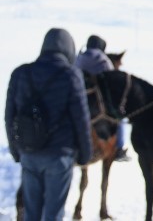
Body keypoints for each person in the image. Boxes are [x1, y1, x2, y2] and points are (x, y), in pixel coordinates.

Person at [5, 28, 92, 221]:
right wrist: (85, 154)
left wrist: (16, 150)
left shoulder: (20, 73)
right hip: (60, 156)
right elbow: (81, 119)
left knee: (31, 214)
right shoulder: (71, 75)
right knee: (53, 214)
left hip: (29, 153)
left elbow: (9, 116)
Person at [75, 35, 130, 161]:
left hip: (78, 102)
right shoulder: (103, 60)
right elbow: (112, 80)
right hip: (99, 103)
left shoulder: (78, 57)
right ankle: (119, 148)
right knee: (120, 118)